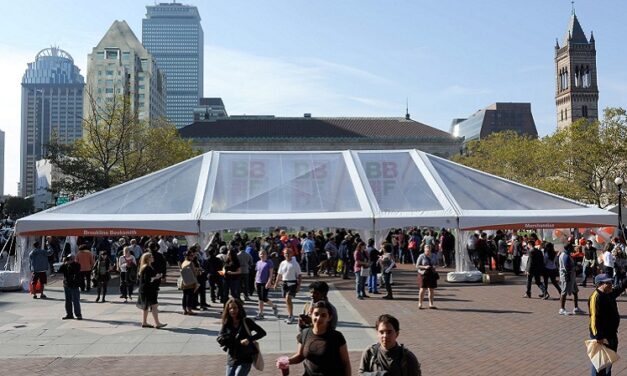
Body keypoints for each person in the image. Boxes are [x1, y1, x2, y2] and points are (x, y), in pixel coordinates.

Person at [282, 300, 351, 376]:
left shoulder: (336, 337)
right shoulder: (305, 333)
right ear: (311, 314)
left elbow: (346, 362)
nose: (318, 318)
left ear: (329, 318)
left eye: (323, 315)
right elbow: (300, 356)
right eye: (316, 314)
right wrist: (287, 361)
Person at [588, 274, 627, 376]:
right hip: (602, 337)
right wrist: (598, 336)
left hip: (611, 334)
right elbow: (594, 319)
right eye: (608, 283)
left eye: (611, 282)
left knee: (608, 363)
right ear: (600, 284)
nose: (611, 285)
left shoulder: (608, 293)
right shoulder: (596, 297)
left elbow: (620, 287)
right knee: (599, 365)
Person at [218, 298, 267, 376]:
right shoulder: (227, 323)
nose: (232, 310)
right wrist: (222, 339)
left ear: (239, 308)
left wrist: (249, 339)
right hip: (232, 357)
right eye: (230, 308)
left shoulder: (246, 321)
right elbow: (220, 336)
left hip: (245, 356)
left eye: (235, 308)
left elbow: (262, 333)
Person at [136, 252, 167, 329]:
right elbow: (148, 279)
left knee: (146, 307)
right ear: (147, 259)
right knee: (154, 306)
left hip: (145, 290)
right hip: (149, 290)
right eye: (151, 257)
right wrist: (157, 277)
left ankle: (144, 322)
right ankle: (157, 323)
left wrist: (155, 276)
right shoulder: (147, 267)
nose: (153, 257)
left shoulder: (144, 267)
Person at [274, 248, 302, 324]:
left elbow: (299, 275)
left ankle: (291, 316)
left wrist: (299, 286)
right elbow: (279, 274)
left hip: (292, 283)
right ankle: (290, 314)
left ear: (292, 254)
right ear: (283, 254)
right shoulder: (282, 263)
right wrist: (276, 283)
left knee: (288, 299)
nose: (287, 254)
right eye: (285, 253)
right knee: (287, 301)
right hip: (284, 283)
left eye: (288, 253)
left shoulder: (295, 263)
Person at [559, 243, 584, 315]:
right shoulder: (565, 256)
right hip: (567, 277)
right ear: (569, 248)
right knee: (564, 292)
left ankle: (576, 308)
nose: (574, 249)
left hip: (571, 276)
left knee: (575, 291)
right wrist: (577, 267)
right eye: (572, 247)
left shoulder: (567, 254)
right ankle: (562, 309)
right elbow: (568, 268)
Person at [254, 249, 278, 320]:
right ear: (259, 255)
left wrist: (269, 282)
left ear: (266, 255)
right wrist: (255, 281)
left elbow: (271, 274)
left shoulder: (269, 262)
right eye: (261, 254)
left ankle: (273, 306)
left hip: (265, 282)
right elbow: (257, 272)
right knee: (260, 298)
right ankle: (261, 313)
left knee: (264, 298)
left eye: (264, 254)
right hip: (258, 281)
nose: (262, 255)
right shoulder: (258, 262)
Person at [58, 255, 82, 320]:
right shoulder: (65, 265)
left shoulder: (77, 265)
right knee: (68, 301)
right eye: (69, 259)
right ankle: (69, 314)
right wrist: (64, 263)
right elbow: (59, 271)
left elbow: (76, 271)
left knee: (75, 300)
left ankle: (78, 315)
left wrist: (70, 265)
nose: (70, 260)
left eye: (71, 259)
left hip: (74, 285)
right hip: (67, 285)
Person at [416, 244, 438, 309]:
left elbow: (437, 264)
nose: (428, 251)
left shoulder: (434, 255)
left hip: (432, 274)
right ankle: (420, 303)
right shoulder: (421, 256)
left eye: (429, 249)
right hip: (423, 274)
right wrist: (425, 267)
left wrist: (435, 266)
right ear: (424, 249)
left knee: (431, 289)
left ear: (431, 249)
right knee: (423, 289)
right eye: (426, 249)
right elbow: (417, 266)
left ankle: (431, 304)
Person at [180, 250, 199, 315]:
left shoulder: (184, 262)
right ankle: (189, 310)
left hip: (184, 281)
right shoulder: (190, 263)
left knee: (185, 295)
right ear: (188, 256)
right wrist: (197, 271)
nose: (193, 257)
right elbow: (194, 273)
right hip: (191, 281)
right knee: (190, 296)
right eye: (191, 255)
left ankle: (184, 309)